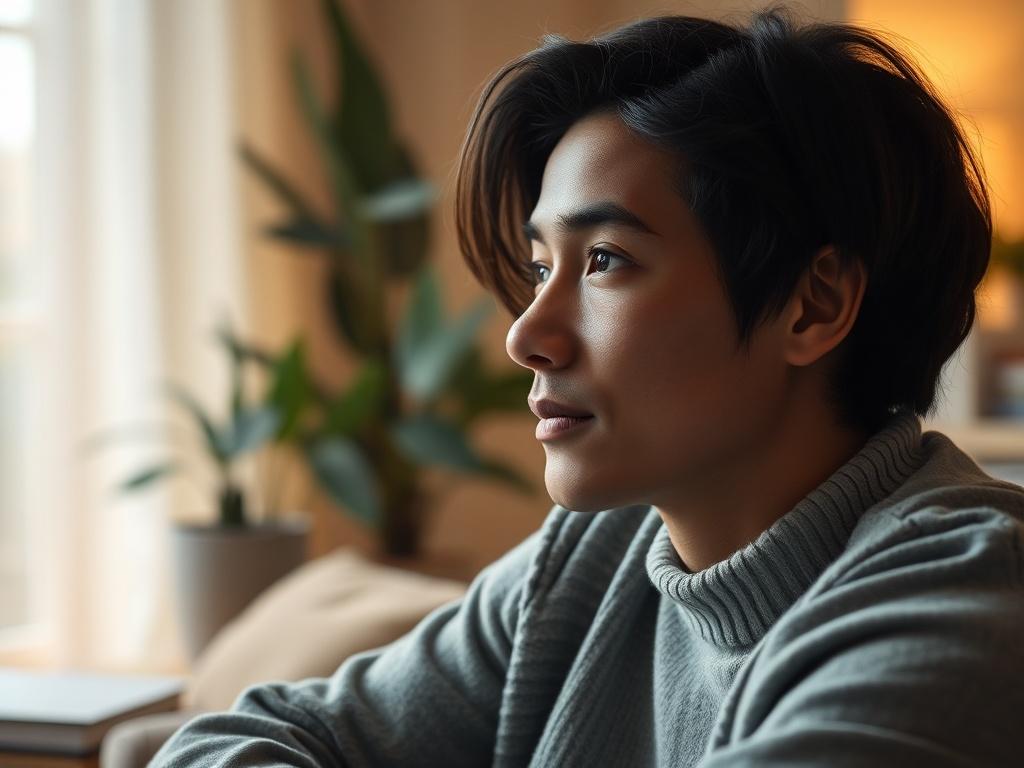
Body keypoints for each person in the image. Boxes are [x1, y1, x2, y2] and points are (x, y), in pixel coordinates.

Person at [153, 7, 1024, 767]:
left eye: (605, 261)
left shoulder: (964, 600)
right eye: (540, 267)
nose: (526, 335)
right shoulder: (589, 559)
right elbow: (237, 739)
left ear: (813, 303)